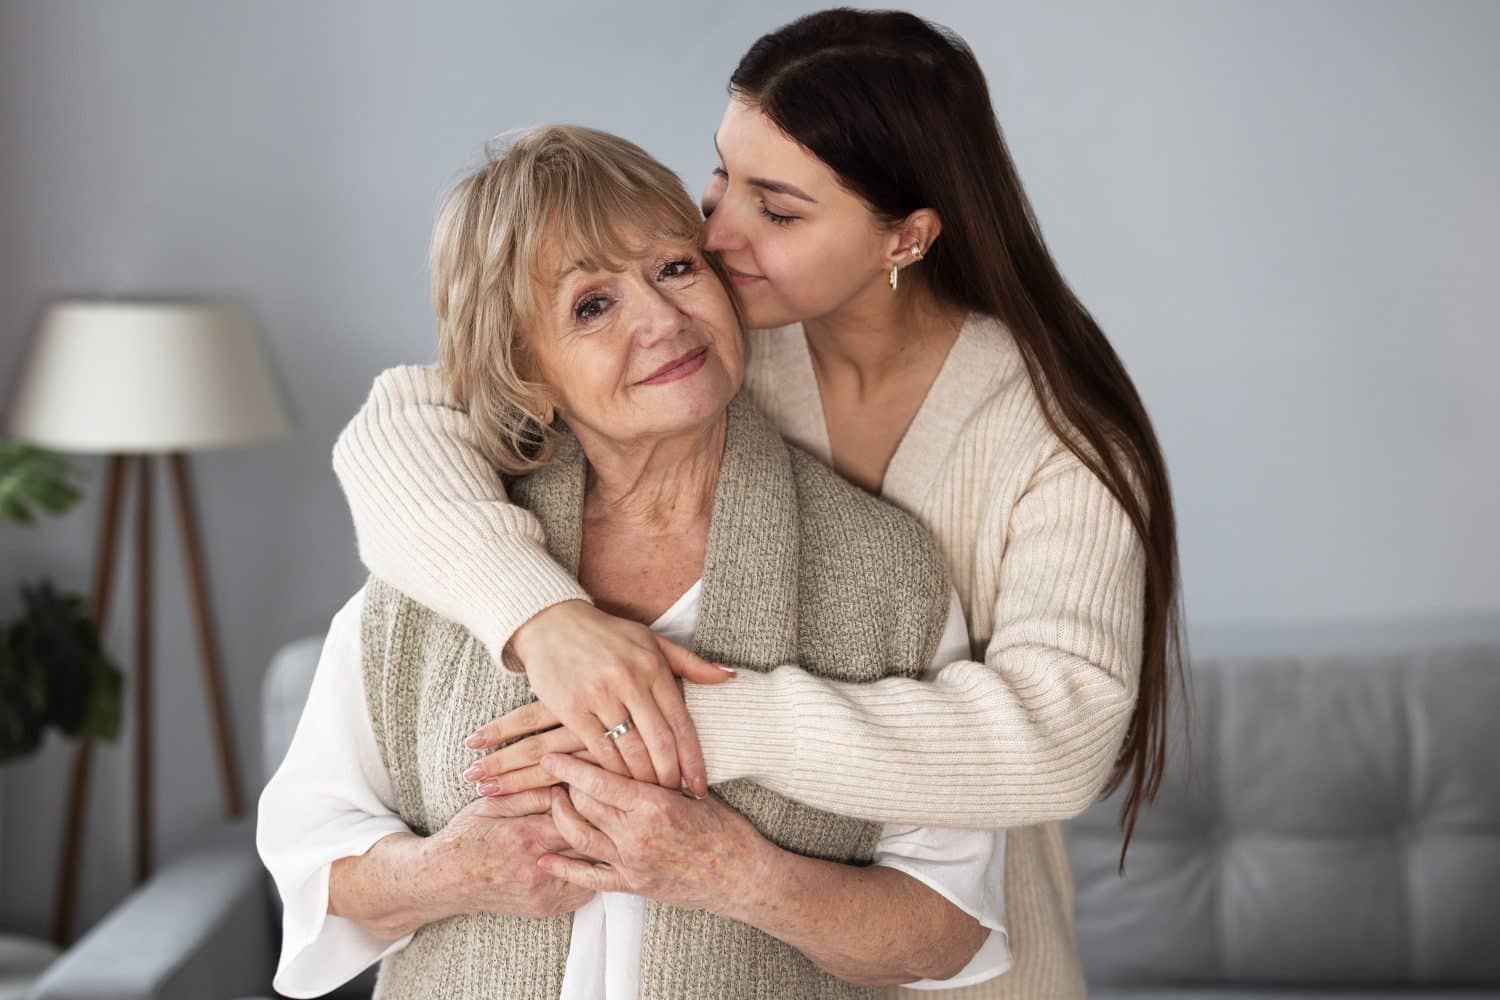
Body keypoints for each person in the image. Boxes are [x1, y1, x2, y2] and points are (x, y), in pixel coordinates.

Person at [330, 10, 1187, 999]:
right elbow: (401, 424)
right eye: (720, 176)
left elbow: (1058, 739)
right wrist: (543, 617)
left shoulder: (1056, 439)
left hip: (961, 966)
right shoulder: (708, 339)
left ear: (905, 236)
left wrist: (686, 725)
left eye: (776, 210)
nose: (716, 232)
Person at [258, 124, 1014, 1000]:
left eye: (674, 268)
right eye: (591, 305)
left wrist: (736, 874)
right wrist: (451, 872)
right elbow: (313, 869)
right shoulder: (437, 556)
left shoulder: (888, 573)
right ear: (526, 370)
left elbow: (947, 929)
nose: (661, 320)